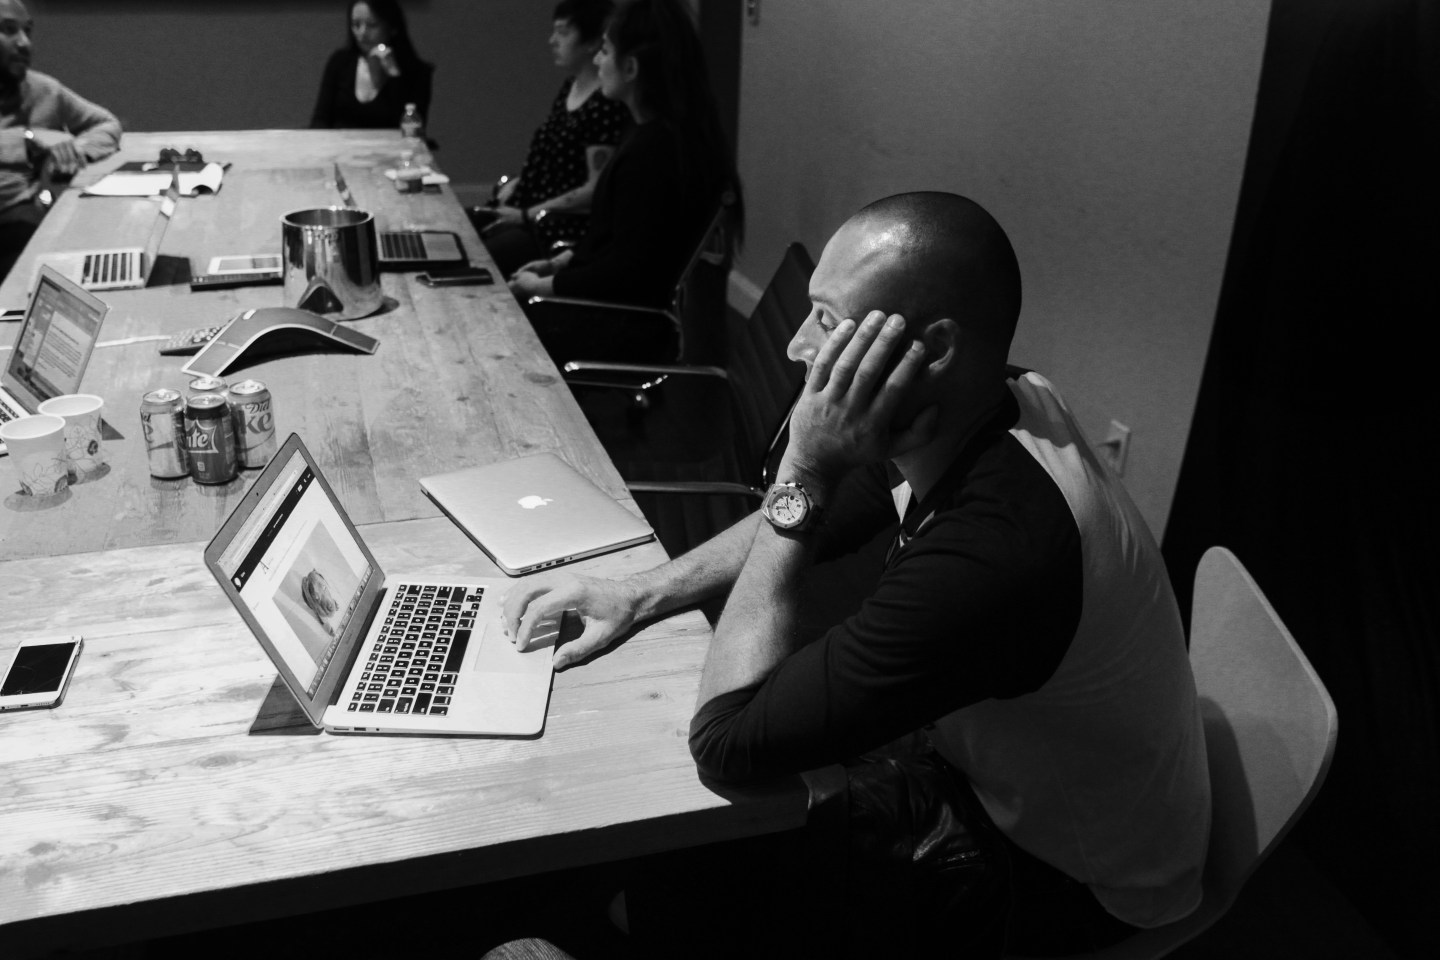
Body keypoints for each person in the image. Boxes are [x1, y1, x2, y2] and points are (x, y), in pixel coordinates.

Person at [504, 192, 1211, 955]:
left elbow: (727, 737)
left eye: (827, 321)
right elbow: (824, 514)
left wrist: (805, 466)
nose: (796, 346)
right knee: (674, 843)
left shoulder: (999, 552)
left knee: (687, 863)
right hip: (997, 777)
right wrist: (638, 594)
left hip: (1066, 882)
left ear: (931, 349)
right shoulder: (993, 401)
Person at [508, 0, 741, 358]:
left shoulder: (654, 155)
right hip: (617, 308)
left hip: (625, 324)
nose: (597, 61)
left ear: (631, 67)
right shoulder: (656, 134)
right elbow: (619, 240)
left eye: (604, 51)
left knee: (502, 327)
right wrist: (560, 263)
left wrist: (543, 286)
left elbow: (625, 274)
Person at [480, 0, 631, 277]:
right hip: (529, 206)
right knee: (457, 232)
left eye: (563, 32)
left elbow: (594, 189)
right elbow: (554, 157)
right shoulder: (570, 87)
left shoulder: (604, 105)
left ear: (591, 43)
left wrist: (525, 215)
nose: (552, 41)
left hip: (553, 224)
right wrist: (519, 183)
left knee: (479, 258)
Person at [0, 0, 121, 279]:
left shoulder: (42, 90)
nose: (24, 43)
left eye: (27, 31)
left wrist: (73, 151)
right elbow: (32, 141)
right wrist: (30, 140)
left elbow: (106, 124)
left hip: (18, 217)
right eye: (9, 30)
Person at [310, 0, 433, 131]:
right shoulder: (340, 62)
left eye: (372, 25)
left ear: (392, 27)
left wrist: (394, 75)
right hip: (341, 142)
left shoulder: (417, 71)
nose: (362, 32)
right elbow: (320, 119)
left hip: (389, 143)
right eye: (356, 25)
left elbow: (412, 129)